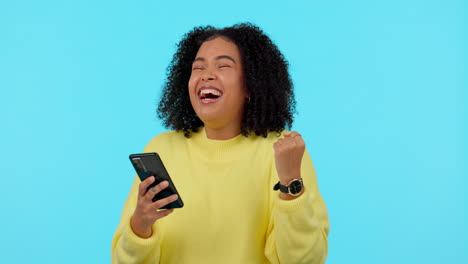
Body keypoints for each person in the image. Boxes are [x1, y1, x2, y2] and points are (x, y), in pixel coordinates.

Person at [111, 23, 329, 264]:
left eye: (223, 65)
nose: (207, 74)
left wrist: (290, 185)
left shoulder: (282, 151)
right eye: (198, 67)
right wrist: (140, 226)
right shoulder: (162, 149)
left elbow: (304, 260)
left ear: (250, 85)